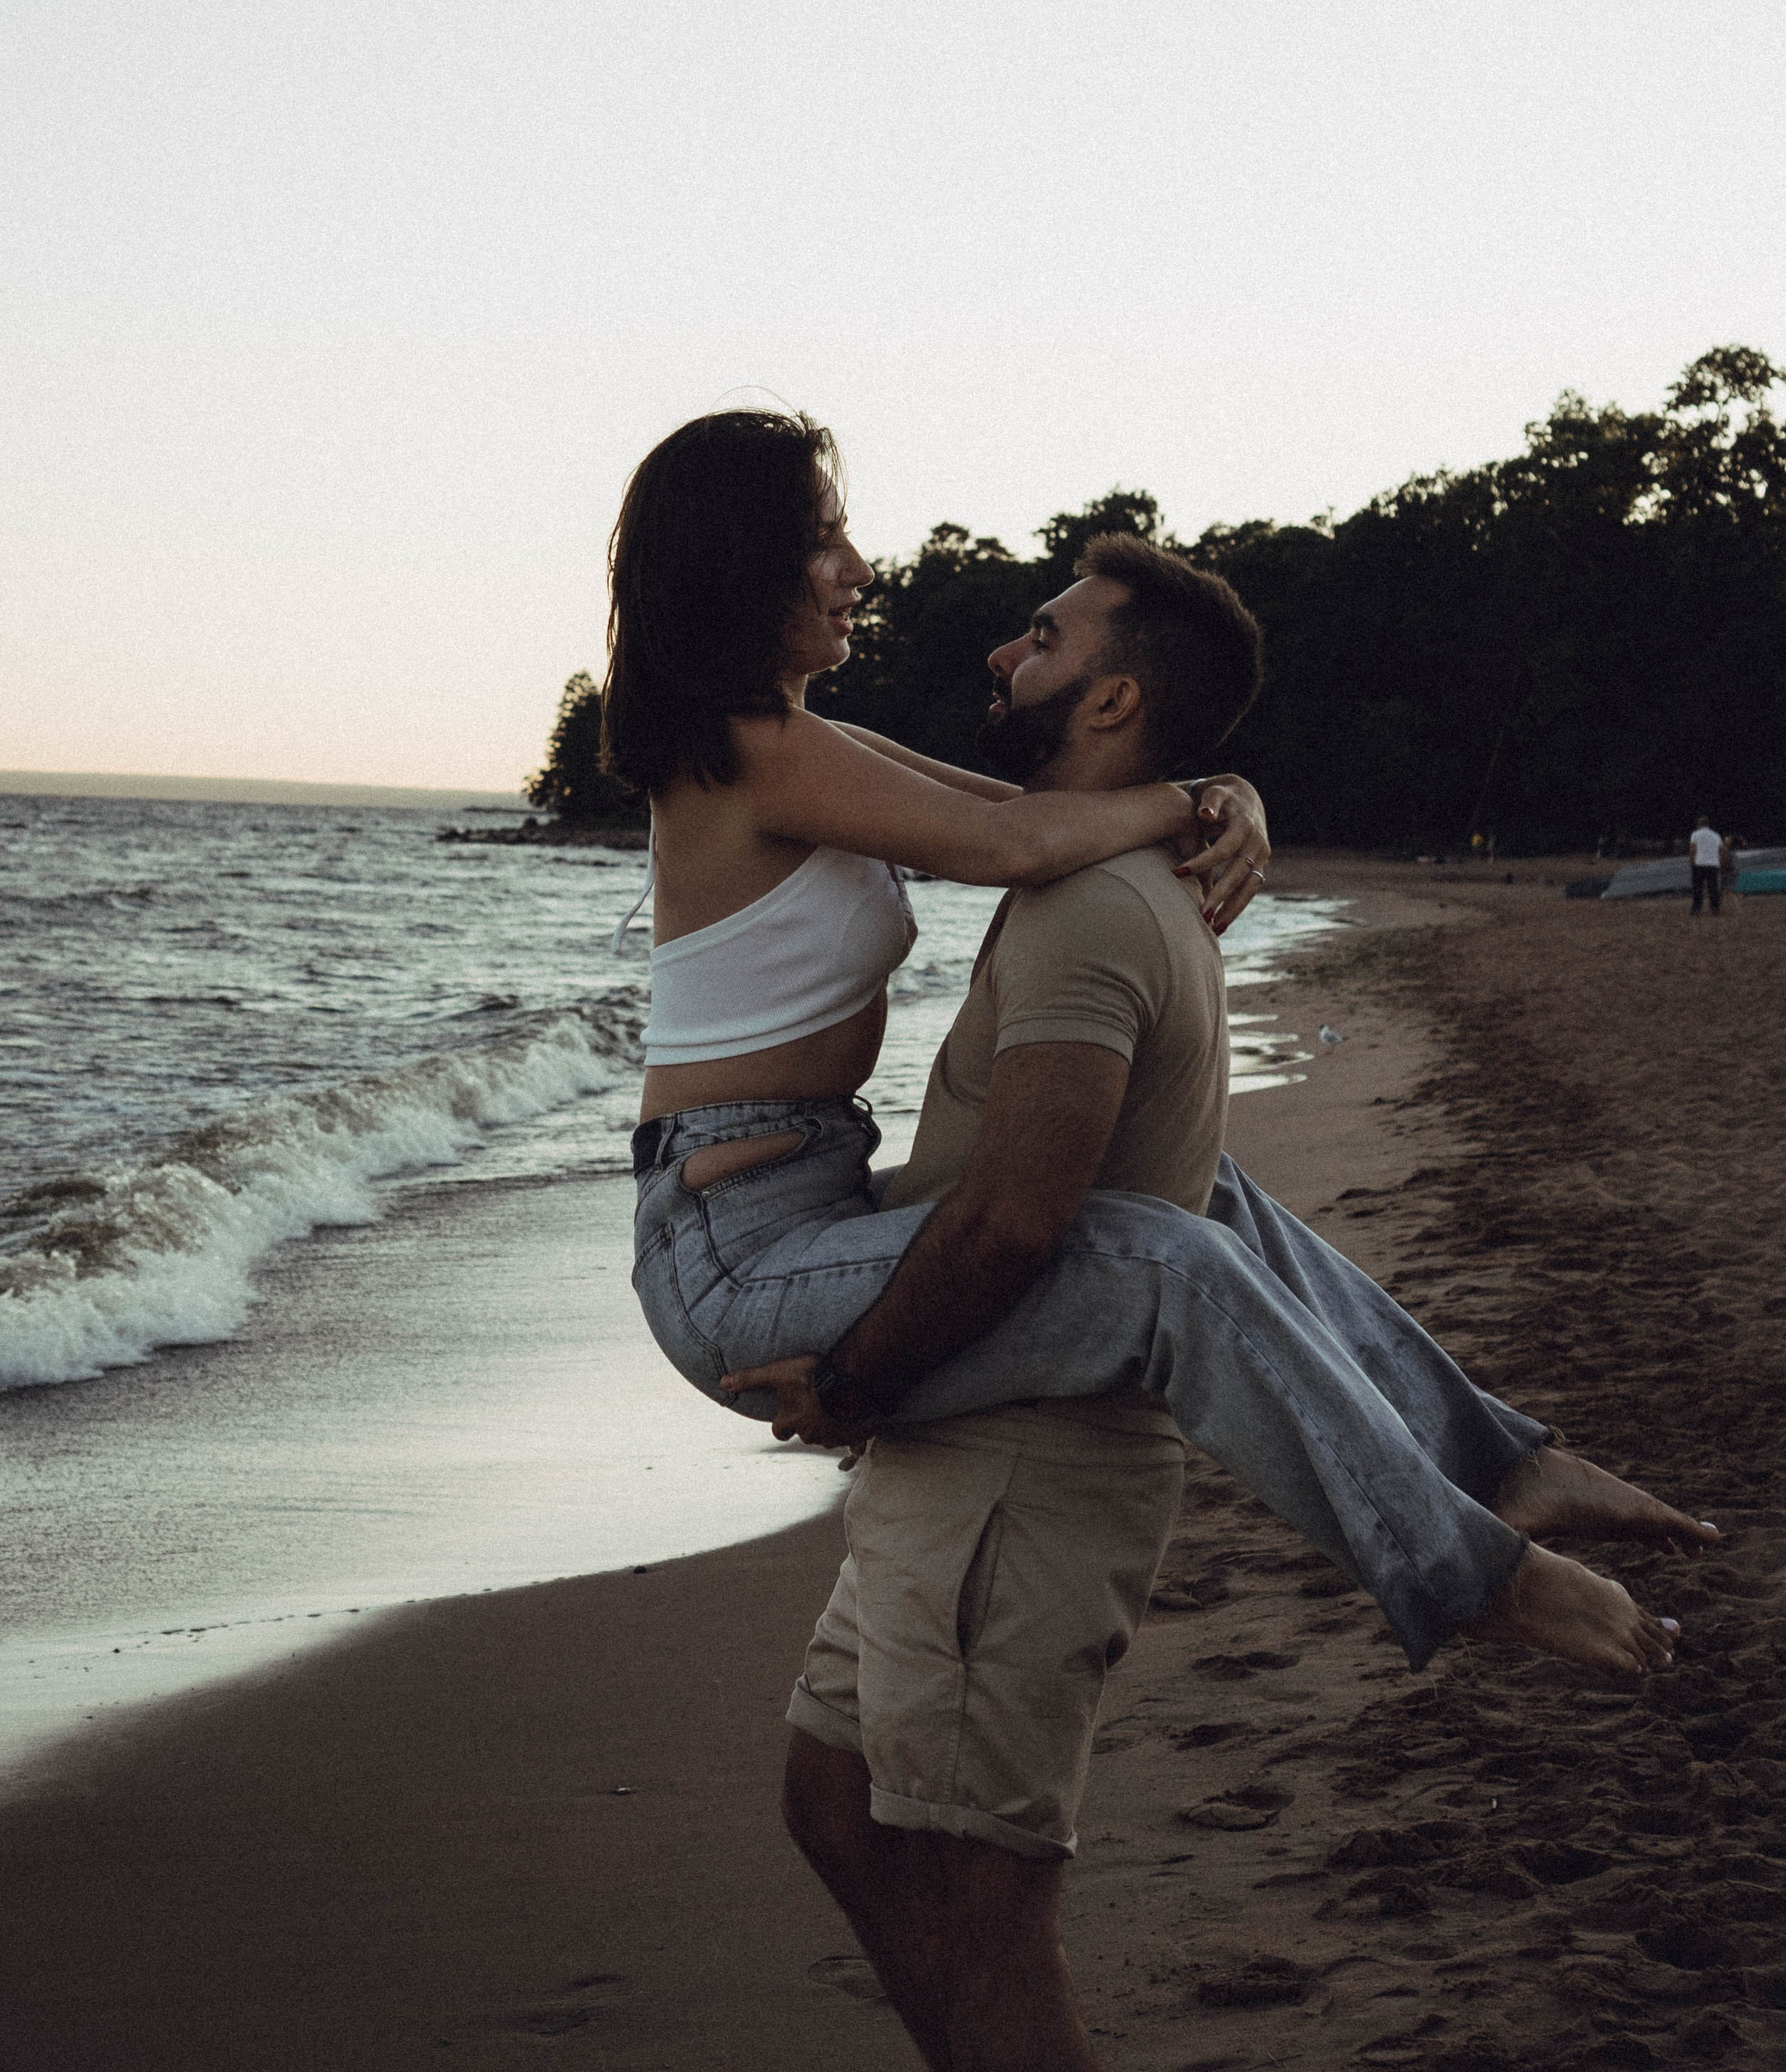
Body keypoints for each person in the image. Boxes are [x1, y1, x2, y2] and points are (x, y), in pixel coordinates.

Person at [616, 412, 1704, 1658]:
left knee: (1199, 1191)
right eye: (822, 542)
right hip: (730, 1256)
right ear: (736, 563)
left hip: (810, 1198)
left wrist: (1230, 796)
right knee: (1161, 1261)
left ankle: (1495, 1462)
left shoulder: (811, 746)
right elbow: (1020, 845)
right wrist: (1205, 799)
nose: (861, 566)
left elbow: (1039, 806)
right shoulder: (744, 756)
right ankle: (1476, 1577)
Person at [1690, 816, 1724, 916]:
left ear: (1699, 825)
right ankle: (1715, 909)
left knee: (1698, 888)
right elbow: (1722, 850)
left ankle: (1696, 909)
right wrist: (1720, 862)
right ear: (1708, 824)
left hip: (1699, 864)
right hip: (1713, 865)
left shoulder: (1695, 835)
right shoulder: (1716, 835)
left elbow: (1692, 849)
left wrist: (1692, 861)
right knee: (1713, 888)